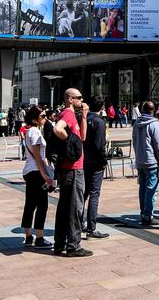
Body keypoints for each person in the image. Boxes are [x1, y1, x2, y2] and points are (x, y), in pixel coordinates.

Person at [52, 88, 92, 257]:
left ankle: (60, 243)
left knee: (64, 207)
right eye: (78, 98)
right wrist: (70, 142)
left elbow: (82, 137)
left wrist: (83, 115)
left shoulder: (72, 115)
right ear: (69, 99)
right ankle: (73, 246)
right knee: (75, 208)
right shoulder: (67, 114)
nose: (81, 100)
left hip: (69, 169)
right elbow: (57, 129)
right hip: (73, 169)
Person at [21, 106, 54, 248]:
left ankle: (28, 236)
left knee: (30, 203)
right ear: (35, 119)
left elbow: (39, 155)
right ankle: (39, 237)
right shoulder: (34, 132)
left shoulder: (30, 131)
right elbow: (37, 155)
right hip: (35, 172)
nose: (45, 117)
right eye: (42, 116)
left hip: (30, 170)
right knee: (42, 204)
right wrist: (44, 174)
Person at [133, 100, 159, 226]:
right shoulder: (154, 124)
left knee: (143, 187)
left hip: (140, 159)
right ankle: (147, 215)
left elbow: (134, 141)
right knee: (152, 189)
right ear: (154, 110)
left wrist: (138, 156)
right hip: (152, 161)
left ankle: (144, 212)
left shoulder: (137, 123)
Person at [83, 97, 109, 239]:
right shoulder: (99, 122)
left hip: (84, 161)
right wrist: (104, 160)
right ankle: (91, 228)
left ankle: (80, 223)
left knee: (84, 194)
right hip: (95, 163)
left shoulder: (84, 119)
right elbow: (100, 145)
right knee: (94, 194)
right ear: (102, 107)